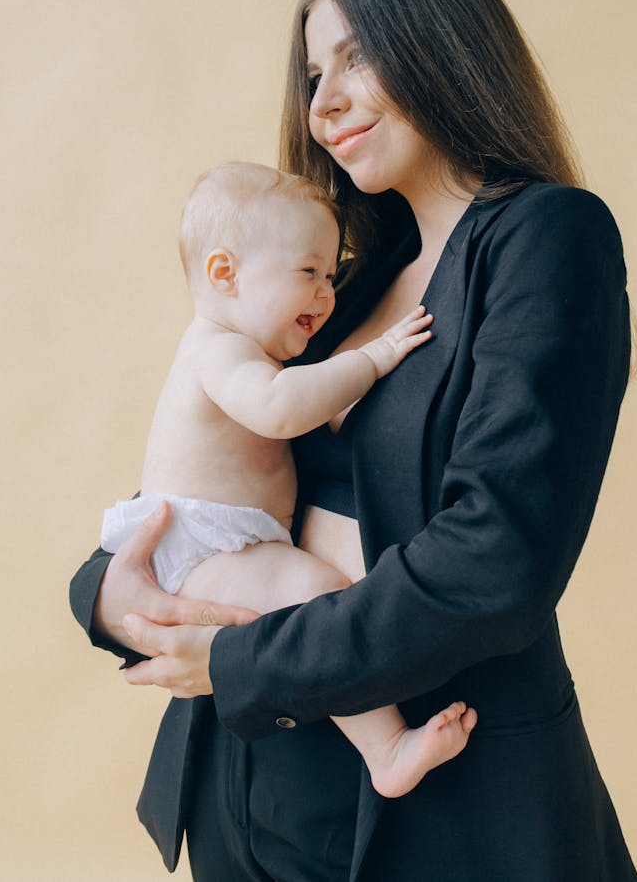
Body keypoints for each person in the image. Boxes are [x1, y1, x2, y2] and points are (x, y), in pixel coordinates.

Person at [71, 0, 637, 881]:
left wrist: (245, 659)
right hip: (246, 782)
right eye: (311, 74)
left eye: (356, 56)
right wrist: (106, 590)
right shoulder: (346, 276)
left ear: (447, 48)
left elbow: (495, 561)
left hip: (443, 801)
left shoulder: (545, 237)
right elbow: (212, 469)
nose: (322, 101)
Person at [99, 159, 475, 798]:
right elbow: (279, 407)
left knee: (308, 600)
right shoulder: (218, 348)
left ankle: (375, 744)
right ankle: (385, 749)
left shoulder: (241, 346)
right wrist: (375, 357)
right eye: (308, 273)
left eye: (331, 275)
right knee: (313, 593)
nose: (327, 294)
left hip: (226, 539)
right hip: (205, 545)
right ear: (226, 274)